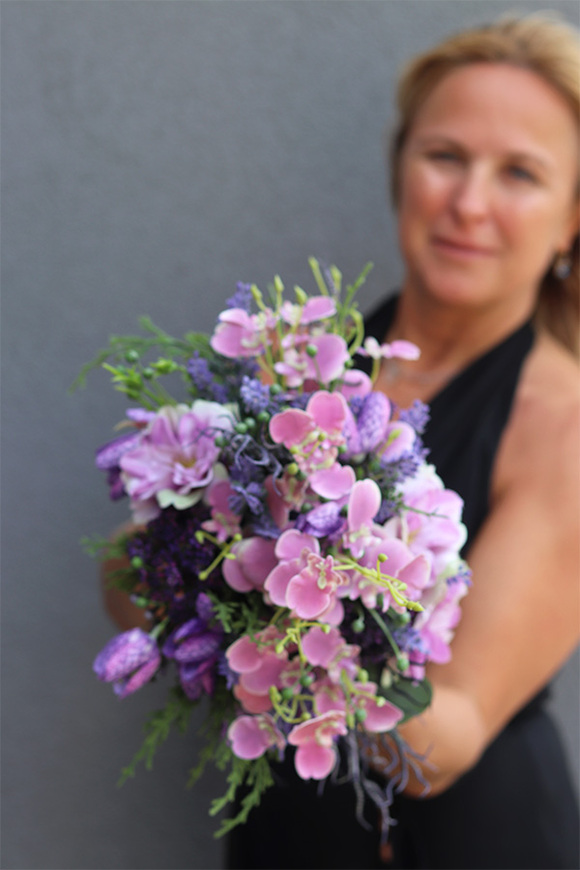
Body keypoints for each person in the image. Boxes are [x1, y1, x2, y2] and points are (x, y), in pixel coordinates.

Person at [103, 13, 580, 869]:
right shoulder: (302, 367)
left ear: (573, 216)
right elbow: (129, 594)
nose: (468, 202)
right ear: (401, 167)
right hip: (285, 829)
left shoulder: (567, 425)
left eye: (520, 172)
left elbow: (449, 737)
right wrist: (178, 529)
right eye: (444, 156)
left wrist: (310, 594)